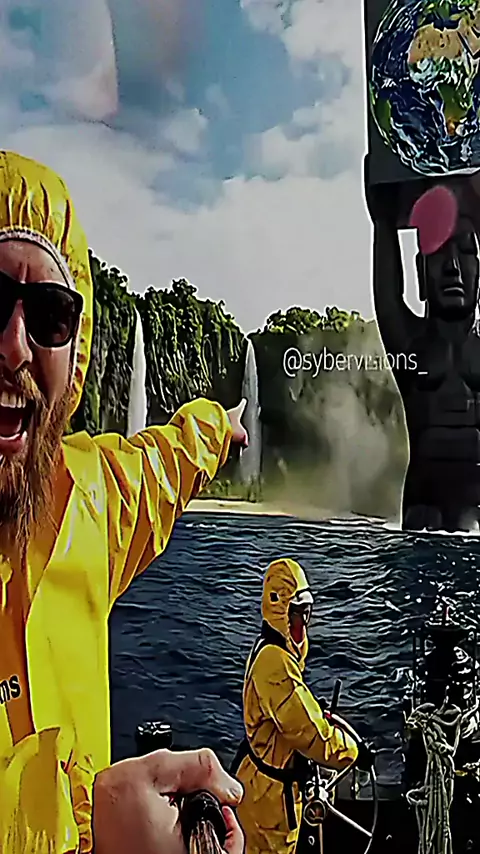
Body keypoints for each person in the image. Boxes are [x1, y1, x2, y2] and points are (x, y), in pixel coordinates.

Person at [0, 150, 247, 853]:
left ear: (76, 352)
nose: (14, 345)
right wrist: (96, 826)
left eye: (50, 316)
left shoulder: (91, 499)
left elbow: (163, 461)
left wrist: (219, 427)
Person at [366, 164, 480, 532]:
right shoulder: (413, 344)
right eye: (439, 253)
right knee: (423, 527)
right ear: (420, 271)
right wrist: (383, 221)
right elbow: (387, 297)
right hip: (424, 506)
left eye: (466, 253)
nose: (453, 268)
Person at [233, 558, 361, 854]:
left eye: (306, 612)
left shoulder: (269, 649)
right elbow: (309, 733)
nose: (302, 622)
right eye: (296, 613)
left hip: (262, 785)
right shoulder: (276, 664)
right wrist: (354, 753)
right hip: (269, 800)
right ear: (279, 610)